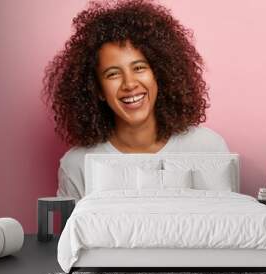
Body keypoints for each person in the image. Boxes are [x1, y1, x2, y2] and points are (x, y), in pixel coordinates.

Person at [43, 0, 229, 201]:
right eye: (113, 74)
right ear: (97, 90)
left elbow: (229, 227)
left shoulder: (207, 148)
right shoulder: (78, 165)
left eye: (139, 68)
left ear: (159, 74)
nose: (129, 84)